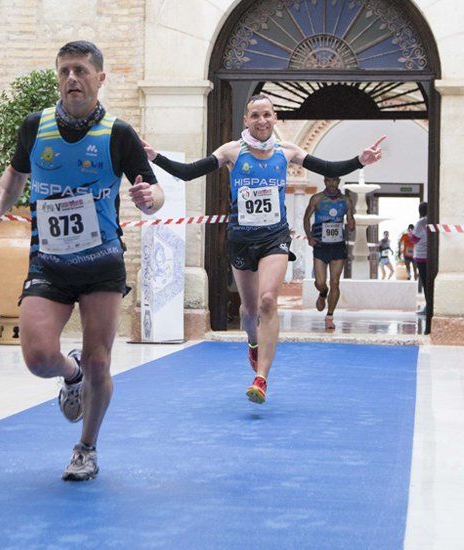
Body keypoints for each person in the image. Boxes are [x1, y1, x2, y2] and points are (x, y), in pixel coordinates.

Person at [0, 41, 164, 482]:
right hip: (49, 262)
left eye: (80, 70)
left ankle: (86, 448)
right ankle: (70, 373)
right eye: (64, 71)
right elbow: (16, 172)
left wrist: (147, 198)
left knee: (102, 361)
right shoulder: (34, 126)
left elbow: (154, 194)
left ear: (100, 79)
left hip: (101, 263)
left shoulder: (119, 134)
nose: (72, 79)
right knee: (39, 358)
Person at [141, 94, 384, 404]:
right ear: (246, 120)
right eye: (255, 115)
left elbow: (327, 166)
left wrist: (360, 161)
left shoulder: (288, 151)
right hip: (241, 238)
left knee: (268, 300)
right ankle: (254, 343)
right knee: (250, 310)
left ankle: (262, 378)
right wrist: (155, 156)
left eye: (267, 115)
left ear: (275, 118)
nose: (261, 121)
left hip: (275, 237)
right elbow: (190, 172)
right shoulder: (231, 151)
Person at [303, 177, 355, 330]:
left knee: (335, 282)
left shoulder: (346, 200)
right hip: (320, 245)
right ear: (325, 182)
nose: (331, 184)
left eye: (334, 181)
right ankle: (323, 293)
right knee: (320, 282)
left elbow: (351, 221)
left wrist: (351, 225)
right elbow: (306, 218)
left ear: (338, 181)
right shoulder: (317, 199)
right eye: (328, 181)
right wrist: (309, 236)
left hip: (338, 246)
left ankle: (330, 316)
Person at [411, 202, 432, 316]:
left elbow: (414, 239)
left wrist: (410, 234)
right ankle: (430, 305)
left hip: (421, 256)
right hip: (430, 256)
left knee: (425, 283)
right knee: (430, 282)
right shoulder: (431, 221)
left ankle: (428, 307)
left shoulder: (421, 222)